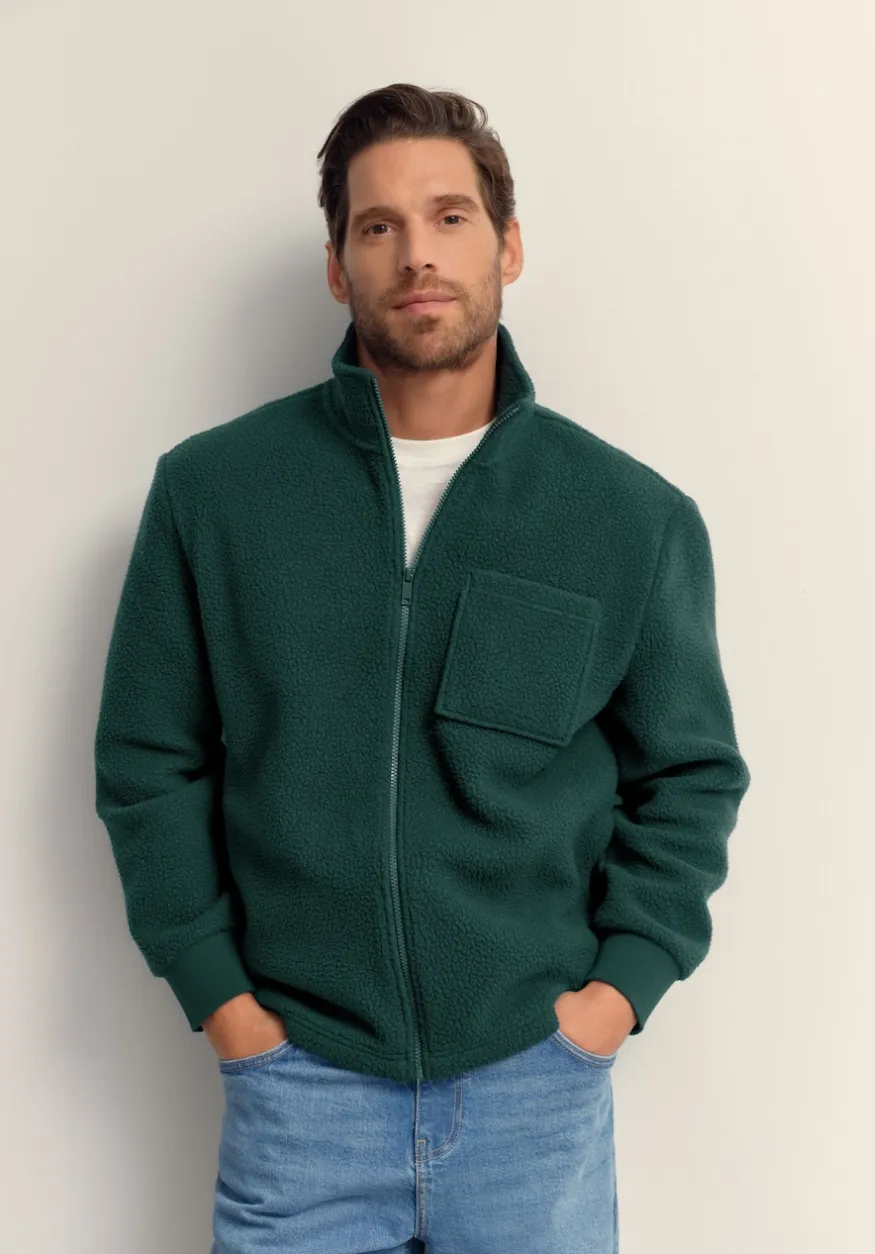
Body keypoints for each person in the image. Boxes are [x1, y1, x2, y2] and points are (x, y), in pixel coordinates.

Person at [94, 81, 751, 1254]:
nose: (417, 256)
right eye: (377, 225)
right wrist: (224, 1004)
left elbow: (688, 779)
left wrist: (611, 1002)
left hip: (532, 1094)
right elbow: (148, 765)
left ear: (508, 245)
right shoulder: (214, 495)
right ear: (337, 266)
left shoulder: (627, 518)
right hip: (298, 1092)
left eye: (450, 217)